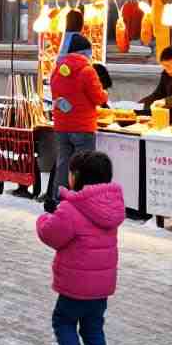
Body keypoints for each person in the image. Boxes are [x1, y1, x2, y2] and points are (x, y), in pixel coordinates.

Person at [36, 150, 125, 345]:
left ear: (77, 178)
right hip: (100, 288)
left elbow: (52, 235)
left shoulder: (72, 208)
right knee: (93, 328)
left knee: (63, 321)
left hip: (75, 285)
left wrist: (46, 217)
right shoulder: (109, 208)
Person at [45, 33, 108, 211]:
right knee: (84, 166)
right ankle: (82, 202)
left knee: (63, 163)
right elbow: (98, 97)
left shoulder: (57, 70)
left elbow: (56, 96)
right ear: (85, 53)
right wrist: (105, 94)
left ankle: (58, 199)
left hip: (62, 127)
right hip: (82, 127)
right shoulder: (88, 71)